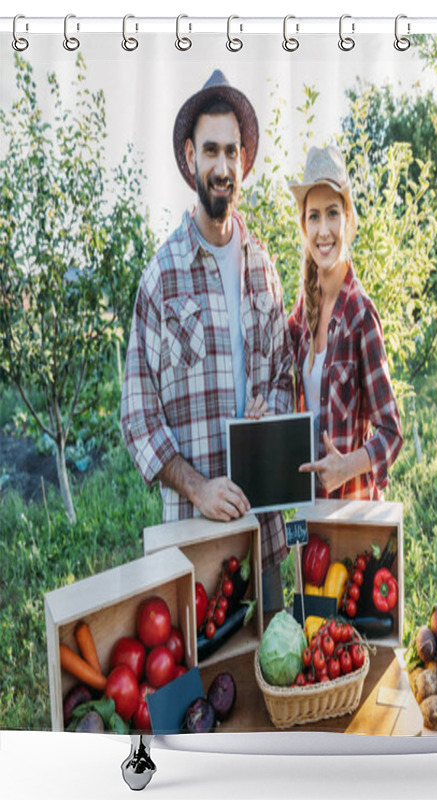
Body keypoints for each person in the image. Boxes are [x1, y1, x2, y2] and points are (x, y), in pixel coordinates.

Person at [121, 70, 293, 612]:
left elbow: (284, 377)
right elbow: (137, 416)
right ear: (191, 157)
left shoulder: (263, 266)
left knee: (274, 667)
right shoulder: (162, 276)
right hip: (194, 541)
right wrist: (197, 486)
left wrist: (274, 417)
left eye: (232, 153)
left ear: (244, 161)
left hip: (261, 531)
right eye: (210, 151)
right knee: (207, 687)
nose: (222, 168)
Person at [286, 145, 402, 500]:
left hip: (354, 509)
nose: (324, 230)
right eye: (314, 216)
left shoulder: (360, 315)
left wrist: (346, 466)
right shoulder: (302, 314)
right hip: (312, 509)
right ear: (303, 226)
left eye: (332, 214)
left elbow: (391, 432)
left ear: (347, 220)